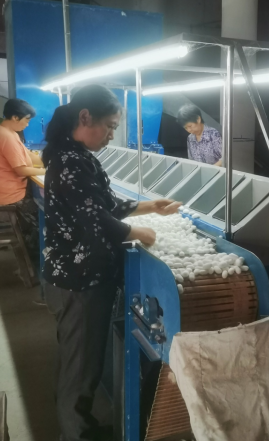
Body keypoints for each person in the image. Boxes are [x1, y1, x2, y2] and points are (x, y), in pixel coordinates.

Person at [42, 84, 181, 441]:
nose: (111, 135)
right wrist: (139, 232)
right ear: (85, 117)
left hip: (79, 277)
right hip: (79, 282)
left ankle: (79, 427)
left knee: (79, 361)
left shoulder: (77, 156)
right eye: (109, 126)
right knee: (80, 368)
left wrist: (149, 207)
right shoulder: (70, 162)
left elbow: (103, 203)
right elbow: (96, 220)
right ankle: (75, 434)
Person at [0, 98, 44, 261]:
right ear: (15, 117)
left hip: (7, 188)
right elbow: (20, 170)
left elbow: (27, 155)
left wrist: (46, 160)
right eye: (26, 120)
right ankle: (33, 259)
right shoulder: (7, 136)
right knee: (43, 219)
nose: (27, 124)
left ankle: (30, 248)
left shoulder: (7, 131)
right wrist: (47, 171)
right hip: (10, 194)